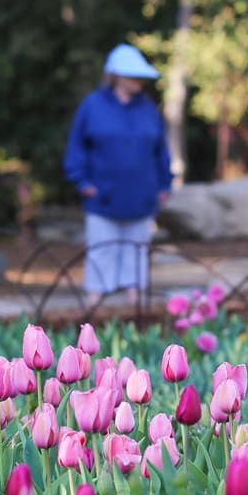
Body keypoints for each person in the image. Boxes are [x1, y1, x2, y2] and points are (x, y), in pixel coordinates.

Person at [63, 43, 172, 306]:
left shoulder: (148, 108)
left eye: (139, 77)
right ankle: (94, 303)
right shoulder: (93, 105)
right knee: (101, 250)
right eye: (132, 76)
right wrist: (82, 180)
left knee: (136, 252)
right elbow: (77, 146)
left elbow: (160, 150)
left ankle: (136, 301)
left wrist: (164, 182)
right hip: (103, 196)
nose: (138, 81)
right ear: (116, 76)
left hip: (141, 195)